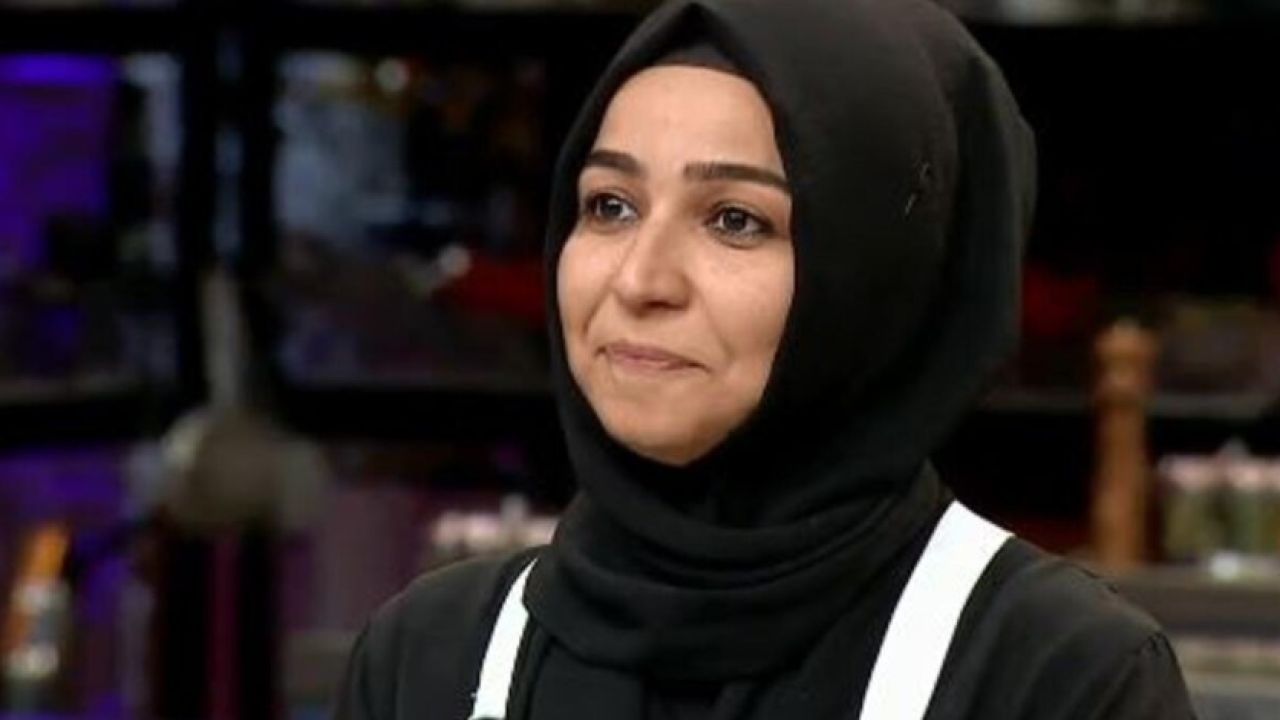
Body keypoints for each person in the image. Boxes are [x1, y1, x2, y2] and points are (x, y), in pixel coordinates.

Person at [335, 0, 1197, 718]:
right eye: (610, 205)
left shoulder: (1055, 679)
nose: (640, 280)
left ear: (877, 282)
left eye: (735, 220)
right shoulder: (431, 660)